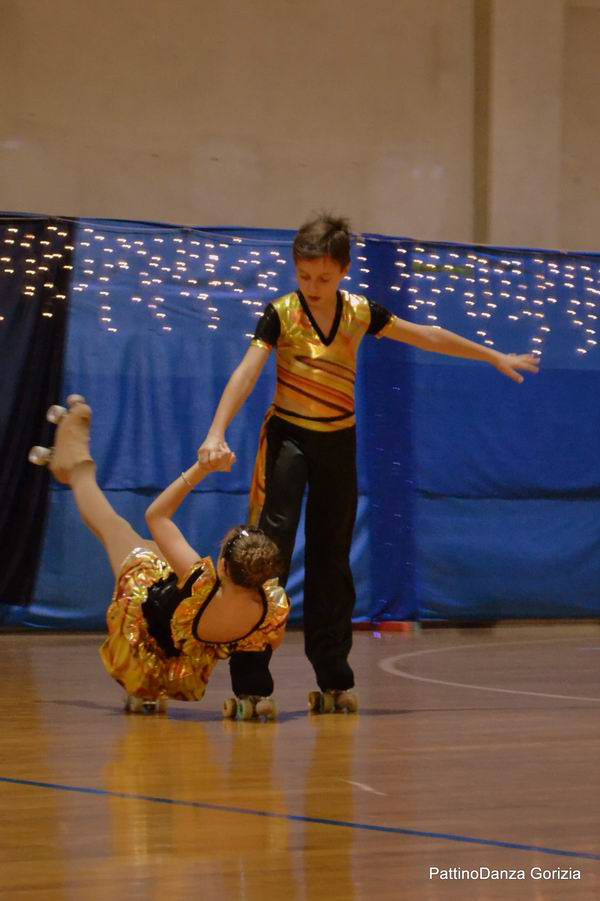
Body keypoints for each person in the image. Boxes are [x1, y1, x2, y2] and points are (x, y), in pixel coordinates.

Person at [197, 215, 539, 712]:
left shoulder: (359, 312)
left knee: (332, 560)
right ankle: (251, 678)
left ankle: (334, 675)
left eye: (324, 277)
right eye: (305, 276)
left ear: (344, 271)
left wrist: (492, 356)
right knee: (265, 555)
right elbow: (247, 373)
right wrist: (216, 430)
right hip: (289, 441)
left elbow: (428, 336)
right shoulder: (281, 314)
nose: (314, 286)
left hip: (338, 442)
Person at [30, 395, 289, 719]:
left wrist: (203, 468)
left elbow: (157, 516)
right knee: (126, 534)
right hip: (179, 651)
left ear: (223, 566)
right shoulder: (268, 609)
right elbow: (264, 644)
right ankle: (71, 463)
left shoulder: (202, 582)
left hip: (144, 603)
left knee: (112, 526)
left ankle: (76, 465)